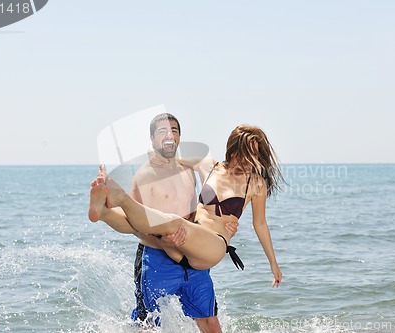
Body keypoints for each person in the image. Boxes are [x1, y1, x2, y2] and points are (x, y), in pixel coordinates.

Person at [91, 113, 236, 332]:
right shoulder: (145, 175)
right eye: (163, 132)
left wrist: (223, 224)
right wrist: (165, 240)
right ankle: (104, 209)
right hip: (156, 259)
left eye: (174, 131)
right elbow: (135, 223)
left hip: (191, 256)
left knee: (210, 321)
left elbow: (202, 206)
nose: (170, 136)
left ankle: (103, 210)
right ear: (152, 139)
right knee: (149, 324)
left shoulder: (188, 169)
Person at [89, 124, 284, 287]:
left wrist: (273, 264)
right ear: (233, 151)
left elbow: (260, 224)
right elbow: (167, 157)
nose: (250, 162)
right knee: (145, 228)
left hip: (213, 246)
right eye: (246, 156)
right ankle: (104, 213)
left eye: (255, 157)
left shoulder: (256, 184)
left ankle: (120, 198)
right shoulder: (209, 166)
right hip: (185, 242)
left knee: (172, 222)